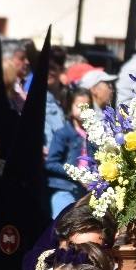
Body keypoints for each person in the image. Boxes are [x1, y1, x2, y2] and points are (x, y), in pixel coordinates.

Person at [45, 87, 94, 217]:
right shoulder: (63, 134)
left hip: (86, 192)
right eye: (79, 106)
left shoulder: (94, 135)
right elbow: (51, 163)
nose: (83, 110)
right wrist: (76, 173)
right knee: (62, 221)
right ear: (70, 108)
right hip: (65, 189)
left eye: (87, 106)